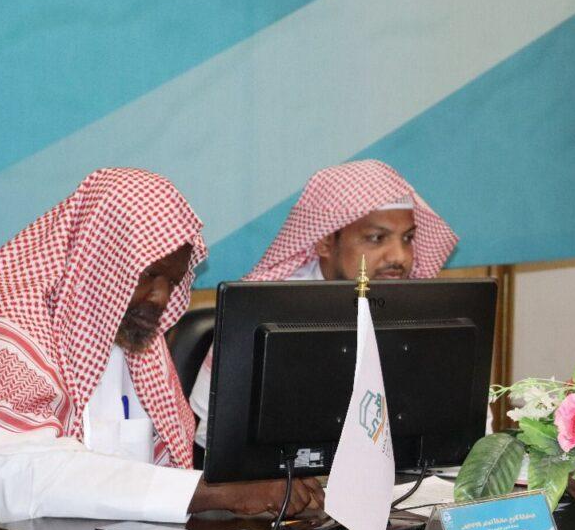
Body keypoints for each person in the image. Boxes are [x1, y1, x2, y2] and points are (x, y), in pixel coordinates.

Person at [0, 169, 323, 530]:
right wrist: (214, 492)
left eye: (172, 281)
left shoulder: (135, 337)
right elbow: (23, 483)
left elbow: (158, 471)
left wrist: (260, 495)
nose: (159, 298)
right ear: (99, 259)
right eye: (147, 276)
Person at [189, 159, 459, 445]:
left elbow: (466, 431)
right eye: (376, 238)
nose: (399, 257)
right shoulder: (267, 309)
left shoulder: (426, 310)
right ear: (325, 242)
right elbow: (215, 436)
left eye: (407, 238)